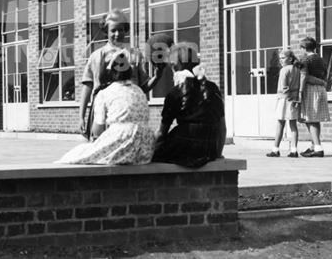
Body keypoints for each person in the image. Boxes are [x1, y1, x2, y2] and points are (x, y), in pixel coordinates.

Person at [58, 49, 155, 165]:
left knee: (76, 155)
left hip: (123, 139)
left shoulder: (105, 93)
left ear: (110, 73)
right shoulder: (138, 90)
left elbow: (97, 130)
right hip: (146, 146)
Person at [79, 10, 163, 140]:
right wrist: (81, 116)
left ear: (126, 30)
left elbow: (143, 87)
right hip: (101, 113)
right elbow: (88, 86)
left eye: (121, 30)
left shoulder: (135, 54)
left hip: (125, 114)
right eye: (113, 30)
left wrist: (157, 77)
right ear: (106, 31)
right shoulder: (96, 56)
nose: (117, 34)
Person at [152, 43, 225, 167]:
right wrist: (217, 154)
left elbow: (161, 132)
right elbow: (222, 128)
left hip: (184, 146)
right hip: (208, 147)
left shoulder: (175, 93)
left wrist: (149, 149)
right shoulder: (213, 88)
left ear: (176, 65)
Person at [296, 36, 330, 157]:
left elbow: (304, 76)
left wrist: (299, 91)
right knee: (315, 119)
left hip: (310, 89)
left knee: (310, 119)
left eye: (300, 48)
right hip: (321, 90)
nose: (300, 51)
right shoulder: (321, 60)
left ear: (304, 48)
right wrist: (323, 83)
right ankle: (313, 145)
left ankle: (318, 148)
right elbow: (325, 75)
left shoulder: (305, 60)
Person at [266, 49, 300, 158]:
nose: (281, 60)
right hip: (293, 99)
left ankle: (275, 150)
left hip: (284, 99)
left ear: (290, 58)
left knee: (280, 124)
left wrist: (288, 96)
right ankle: (294, 150)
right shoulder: (297, 69)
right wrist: (294, 98)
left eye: (283, 58)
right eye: (280, 58)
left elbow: (284, 87)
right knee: (293, 125)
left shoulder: (284, 70)